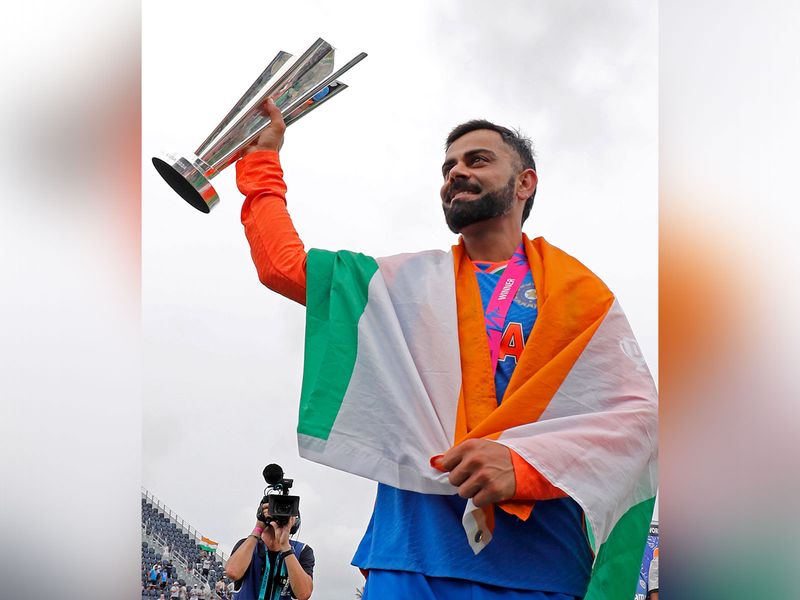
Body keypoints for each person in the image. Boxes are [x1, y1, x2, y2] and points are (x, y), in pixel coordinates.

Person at [235, 100, 657, 599]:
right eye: (448, 166)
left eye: (477, 160)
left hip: (538, 569)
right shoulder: (404, 286)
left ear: (525, 183)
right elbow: (284, 268)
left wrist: (526, 466)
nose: (455, 172)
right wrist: (262, 162)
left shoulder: (580, 298)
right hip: (410, 560)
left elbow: (638, 420)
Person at [224, 501, 314, 600]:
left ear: (294, 522)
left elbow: (304, 594)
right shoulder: (247, 545)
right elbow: (232, 572)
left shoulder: (302, 551)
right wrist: (258, 529)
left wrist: (285, 547)